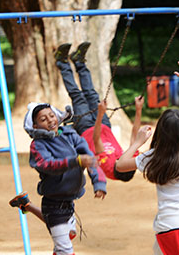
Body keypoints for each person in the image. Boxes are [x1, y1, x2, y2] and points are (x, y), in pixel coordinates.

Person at [116, 57, 179, 255]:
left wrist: (138, 142)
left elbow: (120, 165)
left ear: (159, 133)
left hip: (169, 226)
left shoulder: (152, 157)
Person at [15, 101, 107, 255]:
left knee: (66, 237)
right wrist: (76, 161)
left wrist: (99, 183)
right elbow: (47, 165)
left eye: (52, 115)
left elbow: (90, 158)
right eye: (43, 120)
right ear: (35, 126)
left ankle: (27, 206)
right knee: (65, 249)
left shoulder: (70, 135)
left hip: (69, 202)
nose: (50, 120)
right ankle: (28, 207)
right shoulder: (38, 145)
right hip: (53, 204)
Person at [55, 41, 144, 182]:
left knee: (78, 96)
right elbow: (134, 136)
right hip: (103, 125)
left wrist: (101, 114)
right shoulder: (127, 164)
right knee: (91, 94)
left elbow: (96, 139)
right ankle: (79, 61)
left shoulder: (106, 165)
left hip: (86, 128)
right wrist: (138, 110)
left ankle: (62, 62)